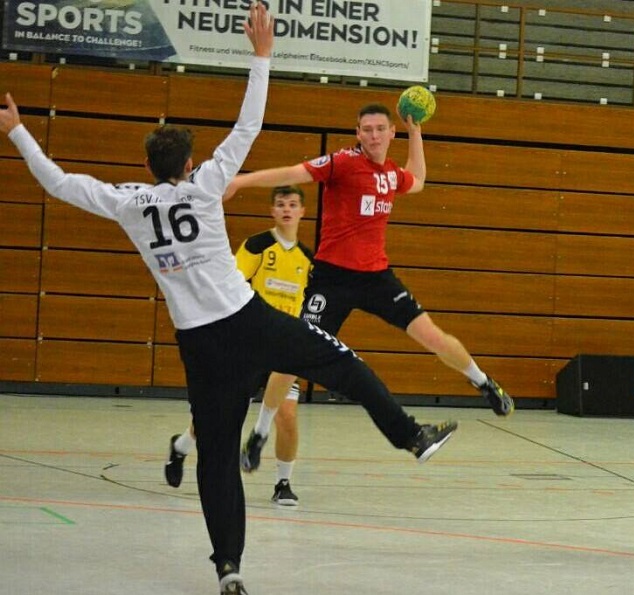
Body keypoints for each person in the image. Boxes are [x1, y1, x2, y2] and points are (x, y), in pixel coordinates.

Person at [0, 5, 456, 594]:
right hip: (248, 321)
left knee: (216, 459)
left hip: (199, 344)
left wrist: (18, 132)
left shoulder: (127, 203)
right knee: (344, 364)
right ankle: (410, 436)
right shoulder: (207, 183)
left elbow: (58, 182)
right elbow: (248, 126)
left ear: (146, 166)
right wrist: (262, 57)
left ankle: (228, 567)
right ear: (189, 164)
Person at [225, 101, 513, 472]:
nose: (374, 136)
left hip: (377, 277)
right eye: (367, 130)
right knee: (292, 357)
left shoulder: (391, 174)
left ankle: (484, 383)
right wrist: (241, 181)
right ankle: (260, 432)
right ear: (358, 134)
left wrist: (416, 131)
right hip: (331, 279)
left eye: (380, 129)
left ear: (391, 132)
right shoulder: (343, 163)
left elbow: (418, 179)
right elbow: (294, 172)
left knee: (432, 335)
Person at [165, 186, 313, 507]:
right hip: (248, 343)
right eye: (281, 204)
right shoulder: (257, 246)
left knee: (288, 415)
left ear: (302, 212)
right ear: (272, 211)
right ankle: (180, 447)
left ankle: (282, 481)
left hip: (283, 346)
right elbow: (230, 284)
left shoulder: (308, 259)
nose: (287, 210)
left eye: (293, 205)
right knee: (217, 416)